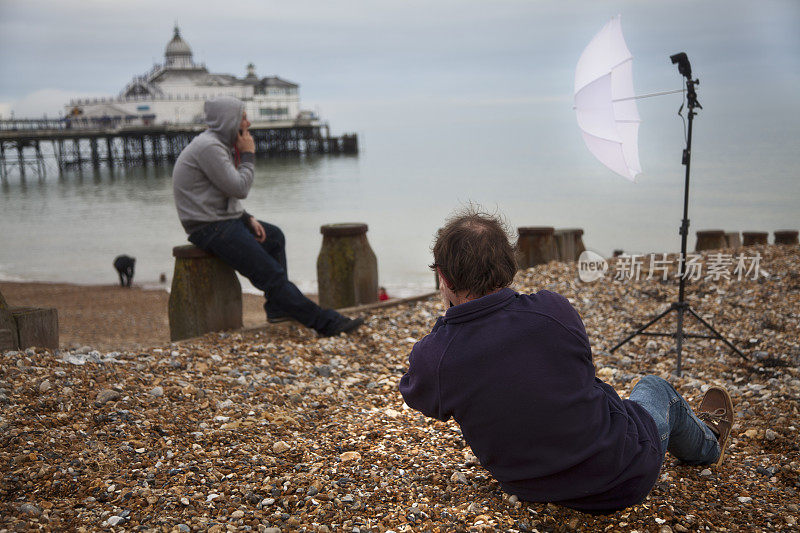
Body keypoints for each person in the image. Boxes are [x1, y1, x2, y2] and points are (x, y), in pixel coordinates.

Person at [398, 207, 733, 513]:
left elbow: (418, 394)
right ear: (508, 265)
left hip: (531, 487)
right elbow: (577, 367)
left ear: (443, 276)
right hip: (624, 474)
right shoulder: (552, 309)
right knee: (655, 388)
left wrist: (450, 320)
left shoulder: (437, 356)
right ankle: (709, 444)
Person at [172, 96, 363, 337]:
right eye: (243, 118)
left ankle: (276, 309)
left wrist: (245, 217)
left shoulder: (217, 144)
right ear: (228, 120)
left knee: (273, 237)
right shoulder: (209, 147)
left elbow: (218, 194)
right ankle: (327, 324)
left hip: (219, 220)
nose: (248, 123)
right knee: (271, 276)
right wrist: (249, 154)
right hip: (208, 227)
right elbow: (240, 188)